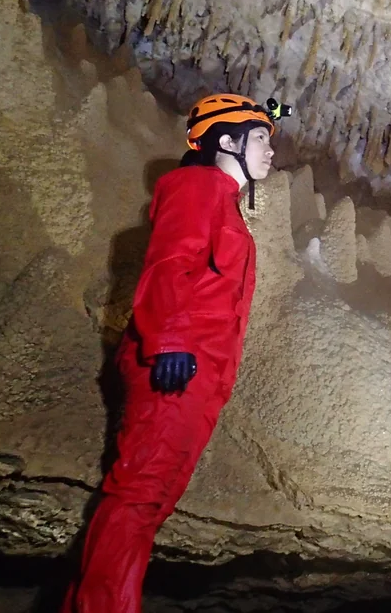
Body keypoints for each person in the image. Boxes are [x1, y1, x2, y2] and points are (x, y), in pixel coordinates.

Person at [62, 93, 288, 612]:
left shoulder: (223, 201)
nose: (270, 151)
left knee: (152, 502)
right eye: (260, 138)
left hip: (199, 373)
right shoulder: (198, 186)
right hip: (176, 363)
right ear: (226, 142)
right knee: (137, 495)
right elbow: (169, 263)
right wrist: (170, 340)